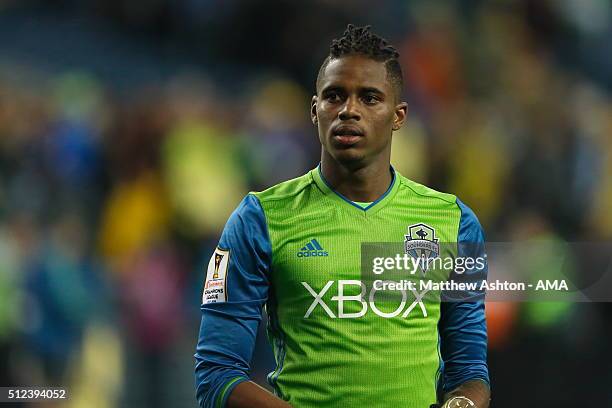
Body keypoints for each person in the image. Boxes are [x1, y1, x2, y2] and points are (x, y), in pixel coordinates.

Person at [195, 24, 490, 408]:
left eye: (369, 98)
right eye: (335, 96)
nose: (349, 110)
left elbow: (469, 372)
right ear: (315, 110)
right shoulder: (260, 219)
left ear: (398, 116)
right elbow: (216, 377)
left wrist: (461, 405)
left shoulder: (454, 222)